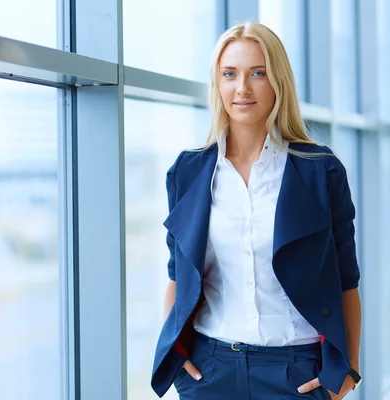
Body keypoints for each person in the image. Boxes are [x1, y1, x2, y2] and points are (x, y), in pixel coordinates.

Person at [151, 22, 362, 400]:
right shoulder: (189, 171)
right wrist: (176, 353)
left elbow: (346, 282)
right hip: (209, 371)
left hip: (296, 374)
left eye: (257, 73)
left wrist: (346, 373)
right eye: (229, 74)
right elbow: (178, 277)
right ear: (217, 84)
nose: (242, 88)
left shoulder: (320, 170)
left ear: (278, 81)